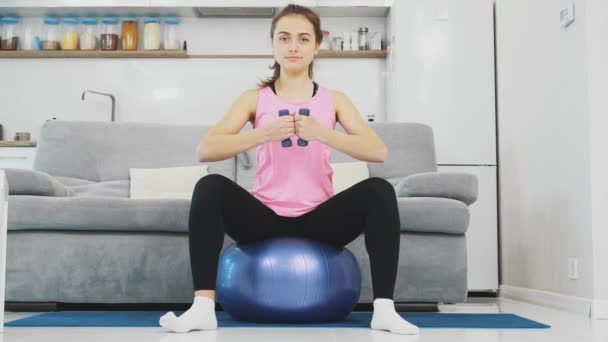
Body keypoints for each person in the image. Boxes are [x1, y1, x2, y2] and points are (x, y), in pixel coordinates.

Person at [159, 3, 420, 335]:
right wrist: (263, 133)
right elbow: (206, 149)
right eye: (284, 38)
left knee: (379, 191)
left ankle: (384, 310)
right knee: (209, 187)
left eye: (302, 38)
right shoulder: (254, 98)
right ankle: (202, 308)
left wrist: (323, 133)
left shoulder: (334, 99)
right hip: (264, 219)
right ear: (273, 45)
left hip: (319, 220)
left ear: (316, 46)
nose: (293, 46)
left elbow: (377, 151)